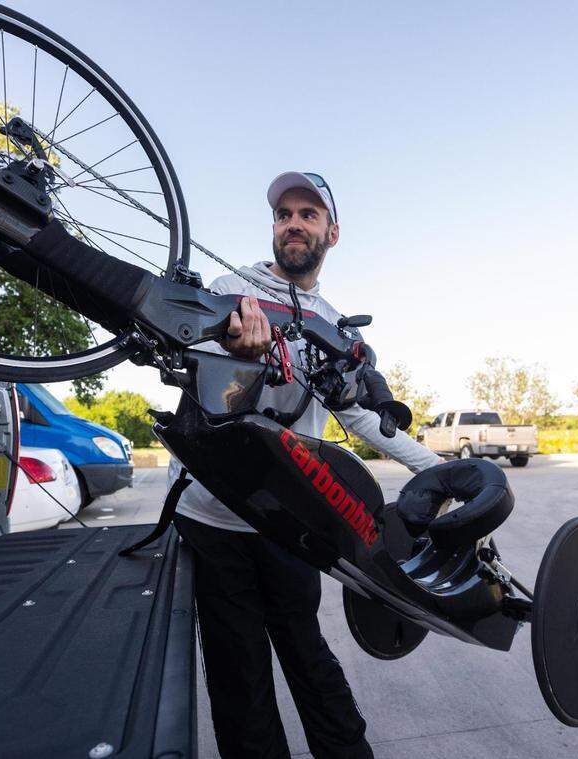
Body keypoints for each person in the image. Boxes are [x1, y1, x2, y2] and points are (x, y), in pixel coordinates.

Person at [170, 172, 441, 759]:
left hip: (289, 523)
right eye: (284, 214)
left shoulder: (338, 330)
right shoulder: (227, 289)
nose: (293, 223)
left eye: (308, 214)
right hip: (213, 518)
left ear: (331, 234)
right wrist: (241, 359)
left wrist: (438, 470)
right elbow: (199, 385)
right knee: (237, 671)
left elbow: (364, 418)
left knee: (307, 652)